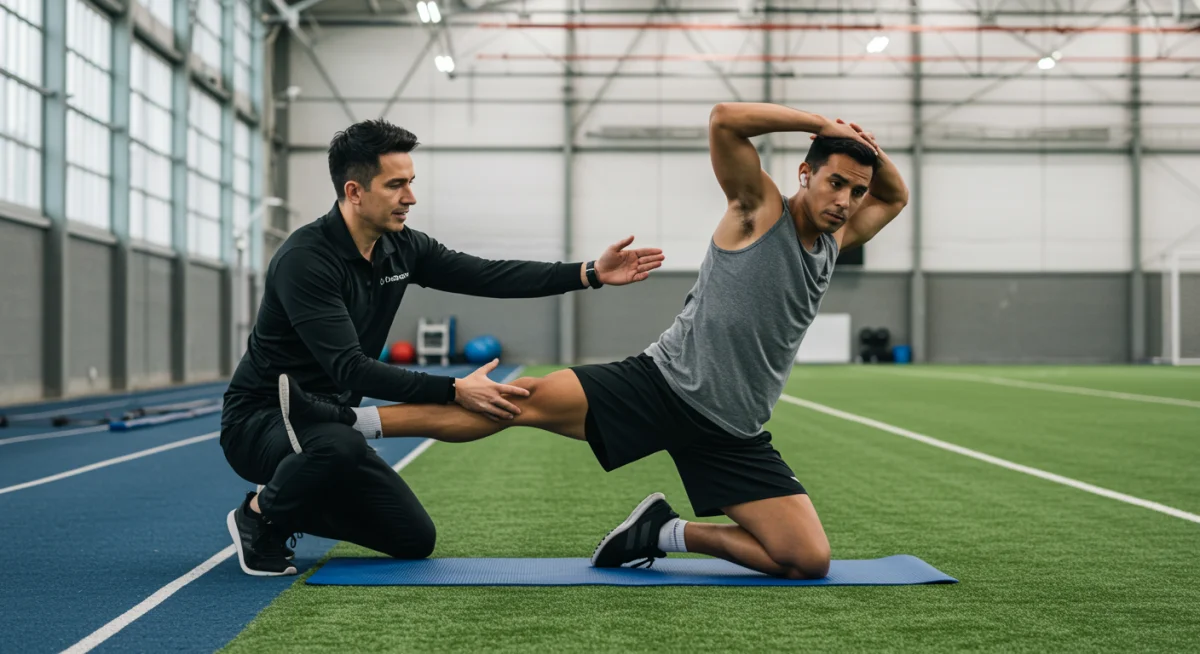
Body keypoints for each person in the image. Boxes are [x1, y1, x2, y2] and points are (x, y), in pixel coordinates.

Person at [284, 103, 907, 579]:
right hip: (663, 385)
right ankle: (347, 420)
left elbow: (896, 194)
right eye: (835, 184)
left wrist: (867, 151)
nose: (846, 201)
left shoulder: (835, 243)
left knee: (806, 560)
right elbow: (724, 120)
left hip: (736, 429)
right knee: (510, 404)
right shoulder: (759, 208)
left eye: (855, 190)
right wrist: (822, 121)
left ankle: (663, 534)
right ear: (804, 173)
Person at [221, 119, 665, 576]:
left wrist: (589, 272)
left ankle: (287, 499)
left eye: (410, 183)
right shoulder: (306, 260)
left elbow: (488, 274)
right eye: (395, 186)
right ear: (354, 192)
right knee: (338, 449)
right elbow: (350, 371)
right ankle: (259, 517)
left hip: (330, 423)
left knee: (412, 537)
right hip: (262, 419)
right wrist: (455, 389)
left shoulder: (402, 248)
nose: (410, 197)